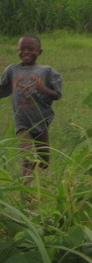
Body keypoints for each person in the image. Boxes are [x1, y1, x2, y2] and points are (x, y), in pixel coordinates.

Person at [1, 35, 63, 181]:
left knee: (44, 160)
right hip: (22, 121)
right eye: (22, 49)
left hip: (41, 120)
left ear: (40, 52)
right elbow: (2, 89)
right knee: (27, 156)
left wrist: (44, 90)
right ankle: (25, 190)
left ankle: (42, 180)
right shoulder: (12, 70)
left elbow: (57, 95)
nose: (26, 52)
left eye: (31, 49)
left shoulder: (47, 71)